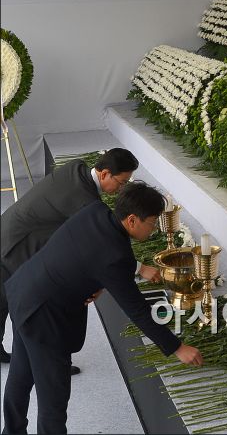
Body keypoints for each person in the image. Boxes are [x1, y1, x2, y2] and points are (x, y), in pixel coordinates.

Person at [2, 181, 203, 435]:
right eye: (152, 223)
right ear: (132, 220)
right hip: (45, 318)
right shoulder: (115, 256)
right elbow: (138, 311)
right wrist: (177, 347)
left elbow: (76, 249)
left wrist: (94, 281)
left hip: (24, 291)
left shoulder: (95, 211)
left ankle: (11, 431)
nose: (153, 231)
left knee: (20, 376)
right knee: (53, 398)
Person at [0, 148, 161, 370]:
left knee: (4, 301)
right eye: (122, 182)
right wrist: (140, 268)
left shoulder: (77, 167)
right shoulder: (86, 202)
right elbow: (101, 246)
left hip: (9, 230)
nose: (122, 189)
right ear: (104, 173)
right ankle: (54, 364)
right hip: (18, 246)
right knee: (38, 309)